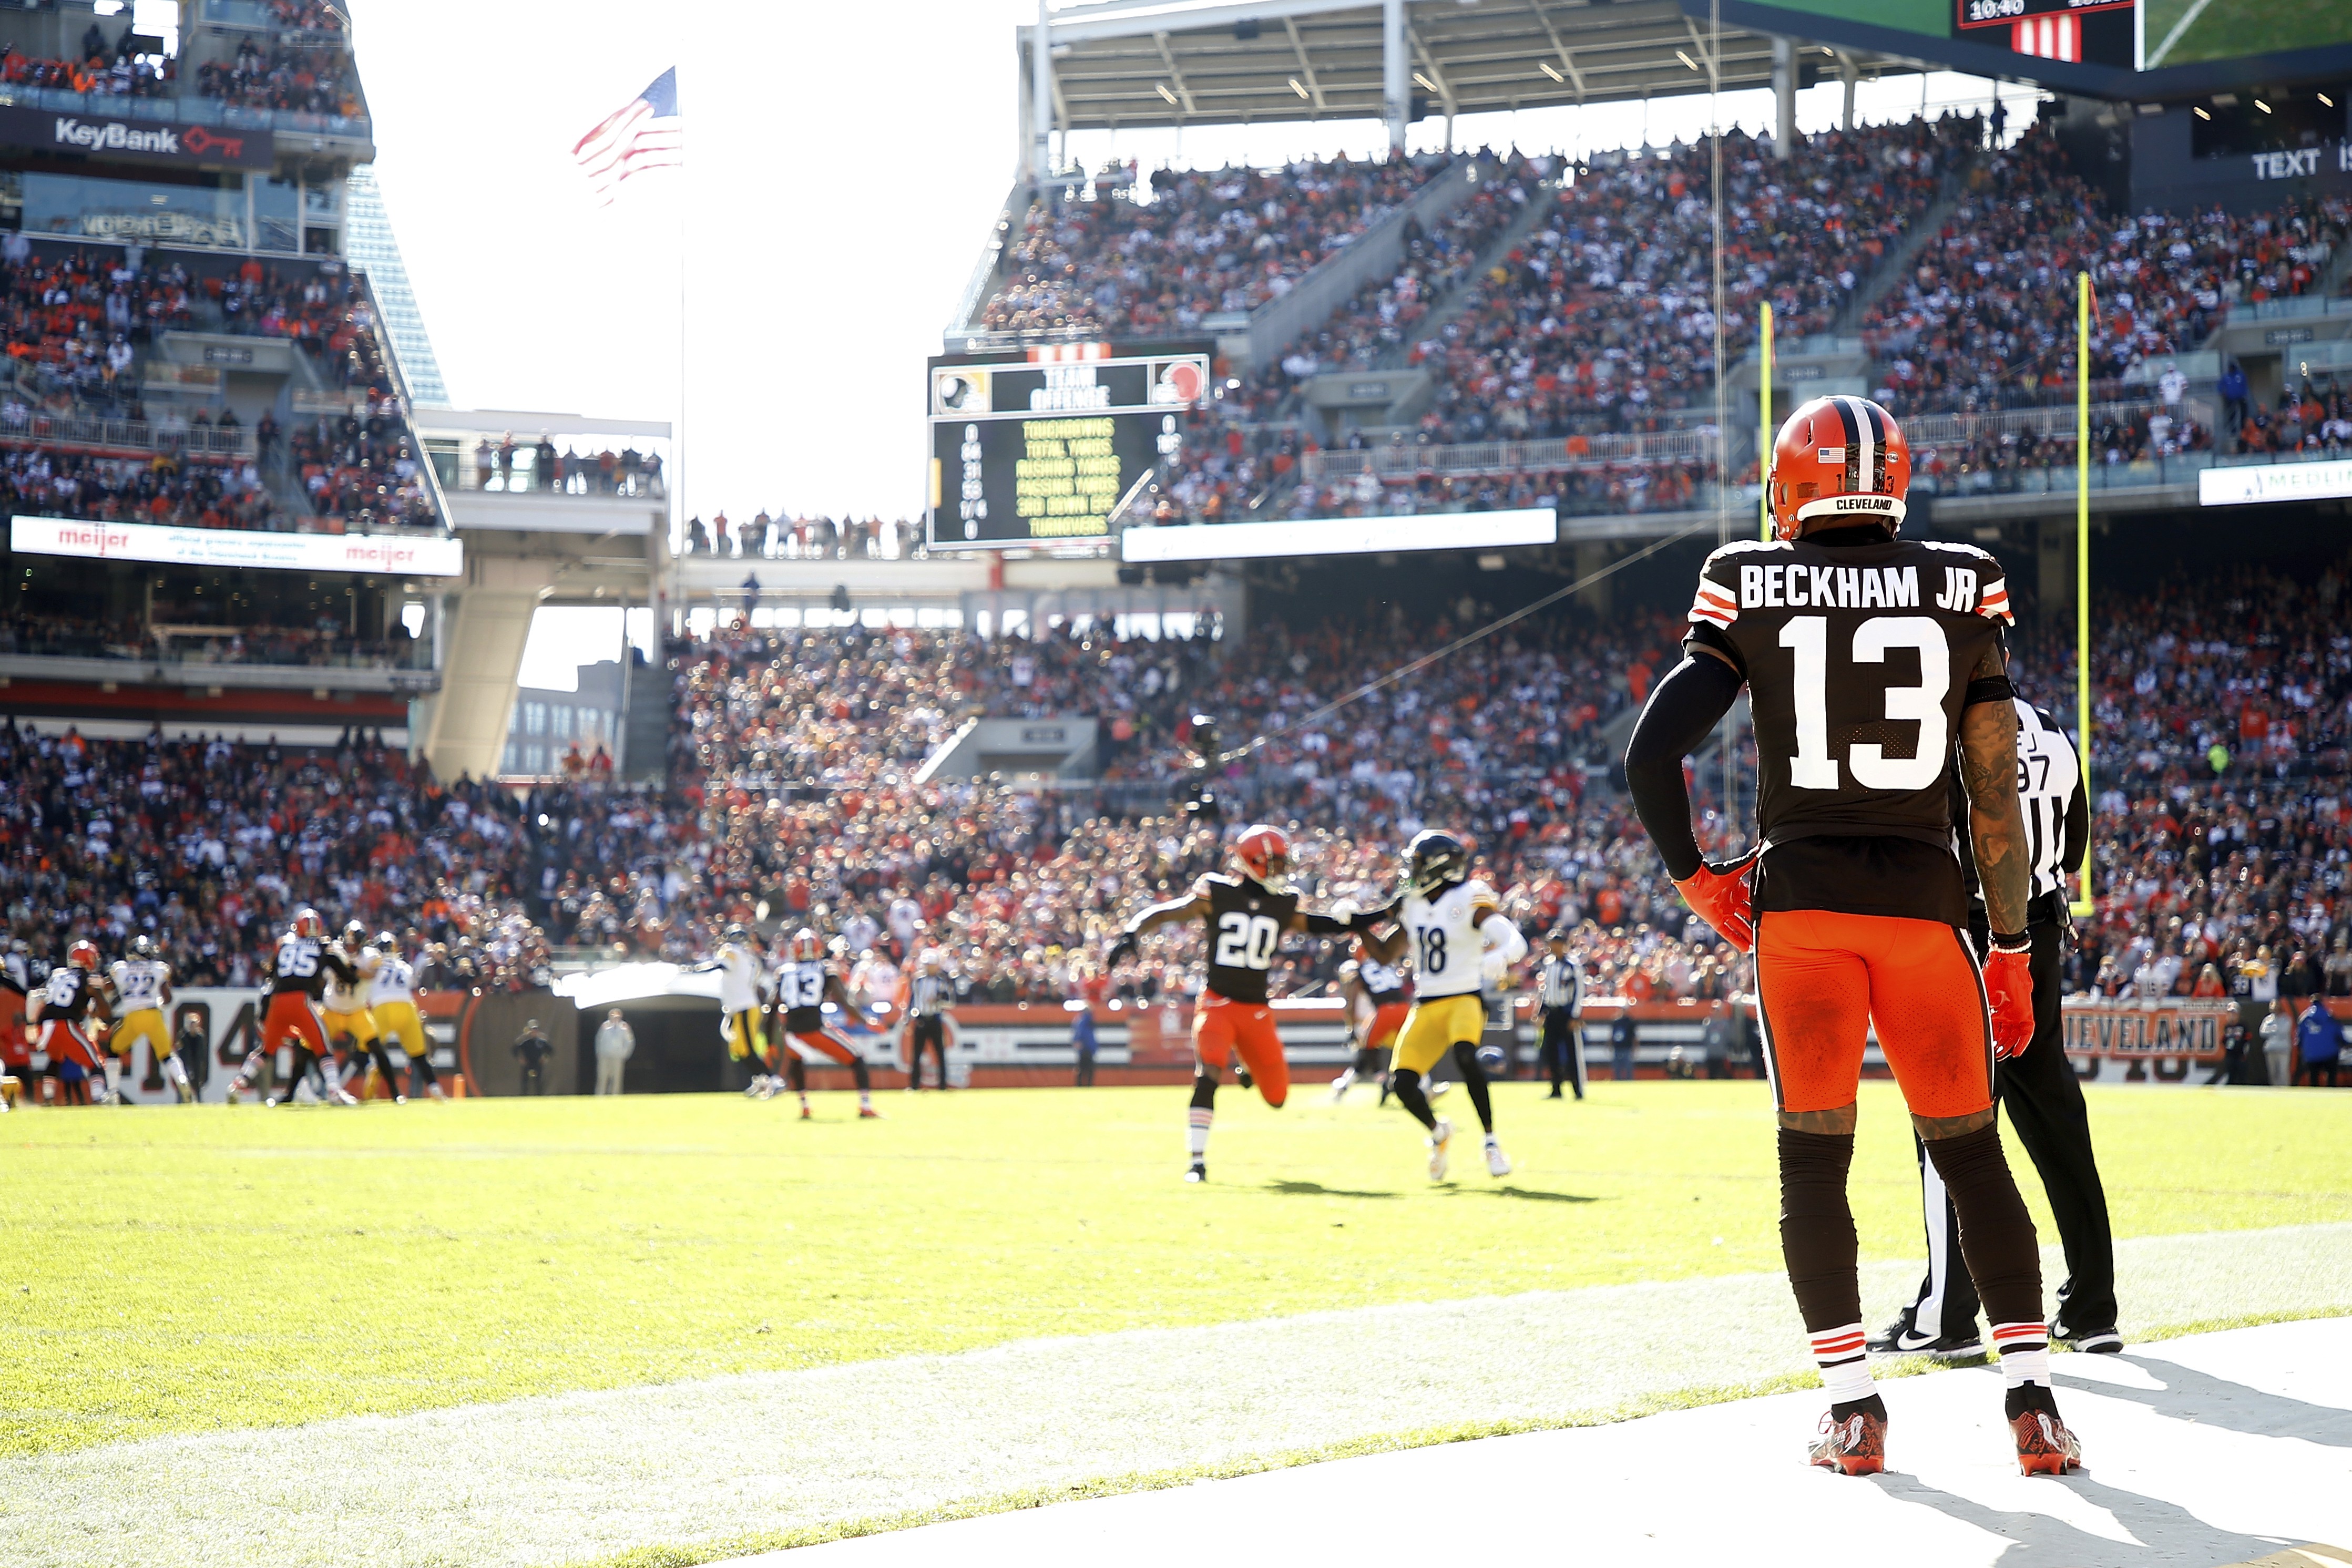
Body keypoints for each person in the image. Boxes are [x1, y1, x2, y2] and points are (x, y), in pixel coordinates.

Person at [1623, 394, 2080, 1477]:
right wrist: (2009, 948)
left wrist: (1696, 880)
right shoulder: (1963, 579)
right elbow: (1988, 795)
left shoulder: (1748, 577)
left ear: (1793, 487)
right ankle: (2030, 1409)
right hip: (1926, 916)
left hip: (1802, 920)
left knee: (1812, 1166)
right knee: (1972, 1157)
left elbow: (1651, 756)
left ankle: (1852, 1414)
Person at [1874, 693, 2121, 1360]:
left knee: (1949, 1120)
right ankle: (2093, 1306)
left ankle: (1948, 1315)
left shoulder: (1948, 732)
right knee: (2057, 1119)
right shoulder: (2053, 731)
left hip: (1972, 931)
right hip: (2039, 935)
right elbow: (2073, 847)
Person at [1107, 823, 1359, 1182]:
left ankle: (1246, 1063)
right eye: (1274, 864)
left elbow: (1318, 925)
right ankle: (1197, 1161)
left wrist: (1368, 919)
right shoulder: (1217, 892)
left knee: (1277, 1097)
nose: (1282, 871)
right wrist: (1131, 933)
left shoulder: (1283, 903)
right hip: (1217, 1003)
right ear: (1253, 862)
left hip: (1256, 1010)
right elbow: (1166, 912)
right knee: (1208, 1072)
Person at [1354, 829, 1527, 1182]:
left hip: (1464, 996)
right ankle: (1438, 1131)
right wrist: (1357, 927)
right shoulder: (1412, 903)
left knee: (1466, 1055)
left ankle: (1491, 1143)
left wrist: (1503, 954)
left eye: (1417, 864)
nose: (1412, 872)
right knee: (1402, 1083)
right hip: (1426, 1003)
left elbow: (1513, 938)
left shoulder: (1469, 896)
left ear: (1438, 866)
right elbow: (1386, 954)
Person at [224, 908, 358, 1107]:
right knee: (323, 1048)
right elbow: (348, 977)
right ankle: (334, 1091)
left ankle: (237, 1085)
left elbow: (273, 975)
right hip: (300, 1001)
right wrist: (351, 968)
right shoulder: (324, 947)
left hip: (277, 1001)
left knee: (266, 1050)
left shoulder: (285, 945)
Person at [770, 928, 880, 1119]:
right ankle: (865, 1105)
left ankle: (804, 1106)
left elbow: (772, 1007)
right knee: (858, 1058)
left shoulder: (785, 972)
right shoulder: (826, 968)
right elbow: (844, 1001)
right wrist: (865, 1021)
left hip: (791, 1033)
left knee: (797, 1061)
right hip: (815, 1029)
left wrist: (771, 1041)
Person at [107, 934, 192, 1103]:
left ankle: (112, 1092)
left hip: (133, 1016)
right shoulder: (157, 968)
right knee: (167, 1055)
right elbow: (168, 999)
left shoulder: (122, 969)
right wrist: (156, 1002)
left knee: (113, 1050)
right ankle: (182, 1080)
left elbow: (106, 987)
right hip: (153, 1015)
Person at [323, 922, 403, 1102]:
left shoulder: (370, 956)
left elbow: (372, 974)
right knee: (309, 1046)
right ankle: (300, 1088)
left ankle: (395, 1092)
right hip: (332, 1010)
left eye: (354, 944)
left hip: (357, 1011)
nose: (350, 948)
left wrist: (348, 967)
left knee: (377, 1049)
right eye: (348, 944)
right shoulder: (335, 950)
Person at [1328, 938, 1411, 1104]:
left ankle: (1378, 1082)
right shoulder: (1389, 965)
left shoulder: (1360, 971)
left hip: (1383, 1013)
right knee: (1409, 1049)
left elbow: (1351, 1004)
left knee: (1367, 1050)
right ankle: (1423, 1085)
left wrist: (1350, 1029)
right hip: (1404, 1009)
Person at [29, 940, 111, 1106]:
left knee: (55, 1058)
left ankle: (47, 1098)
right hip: (64, 1025)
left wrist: (31, 1024)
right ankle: (99, 1098)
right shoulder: (89, 979)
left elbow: (38, 994)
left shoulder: (57, 974)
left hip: (43, 1027)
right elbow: (106, 1012)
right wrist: (100, 999)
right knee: (95, 1062)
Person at [371, 931, 445, 1100]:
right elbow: (412, 982)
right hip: (406, 1007)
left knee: (368, 1049)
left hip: (382, 1008)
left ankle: (343, 1084)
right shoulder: (404, 966)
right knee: (420, 1055)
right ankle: (436, 1090)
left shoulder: (374, 964)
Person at [712, 925, 777, 1097]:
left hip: (745, 1006)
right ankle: (760, 1081)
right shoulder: (750, 959)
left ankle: (774, 1080)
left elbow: (721, 965)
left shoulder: (731, 951)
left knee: (747, 1049)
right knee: (738, 1051)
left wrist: (696, 968)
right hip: (741, 1006)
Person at [899, 949, 952, 1090]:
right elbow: (912, 1001)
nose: (930, 967)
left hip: (935, 1018)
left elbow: (950, 1002)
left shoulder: (942, 982)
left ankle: (943, 1085)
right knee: (917, 1054)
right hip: (921, 1019)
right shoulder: (918, 981)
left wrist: (938, 1001)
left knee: (940, 1054)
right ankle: (914, 1085)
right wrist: (907, 1018)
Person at [2295, 994, 2343, 1087]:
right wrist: (2343, 1043)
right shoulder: (2329, 1016)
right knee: (2331, 1078)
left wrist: (2302, 1048)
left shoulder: (2305, 1018)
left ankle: (2314, 1098)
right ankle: (2331, 1094)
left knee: (2314, 1080)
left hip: (2311, 1055)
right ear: (2322, 1002)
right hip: (2330, 1053)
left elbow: (2299, 1037)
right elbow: (2338, 1032)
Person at [594, 1008, 635, 1095]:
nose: (615, 1019)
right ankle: (600, 1096)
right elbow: (599, 1040)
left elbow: (630, 1042)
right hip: (605, 1056)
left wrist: (625, 1054)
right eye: (613, 1016)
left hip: (617, 1057)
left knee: (616, 1079)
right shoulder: (605, 1026)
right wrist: (599, 1053)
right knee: (603, 1077)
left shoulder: (624, 1027)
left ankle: (615, 1097)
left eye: (617, 1017)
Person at [513, 1019, 552, 1095]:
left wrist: (545, 1058)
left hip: (538, 1064)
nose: (534, 1031)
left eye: (536, 1029)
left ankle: (540, 1097)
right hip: (527, 1064)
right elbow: (515, 1050)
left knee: (538, 1083)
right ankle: (524, 1097)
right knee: (525, 1082)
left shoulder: (541, 1041)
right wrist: (520, 1058)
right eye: (533, 1030)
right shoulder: (525, 1042)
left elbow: (550, 1050)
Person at [1610, 1009, 1638, 1081]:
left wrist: (1635, 1048)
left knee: (1628, 1066)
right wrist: (1610, 1044)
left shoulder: (1631, 1022)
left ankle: (1629, 1080)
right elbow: (1612, 1035)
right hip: (1617, 1047)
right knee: (1617, 1067)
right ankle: (1618, 1080)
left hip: (1627, 1047)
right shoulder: (1616, 1022)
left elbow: (1634, 1036)